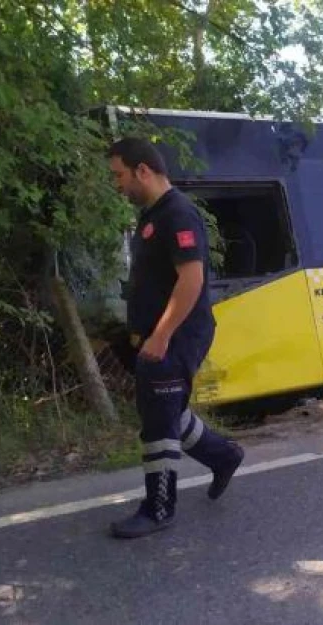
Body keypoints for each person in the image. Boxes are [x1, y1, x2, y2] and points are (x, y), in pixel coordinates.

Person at [106, 138, 245, 539]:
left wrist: (162, 335)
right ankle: (224, 456)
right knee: (166, 410)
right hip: (156, 335)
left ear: (142, 170)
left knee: (158, 423)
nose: (117, 184)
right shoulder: (153, 215)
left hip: (177, 335)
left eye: (119, 175)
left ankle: (159, 508)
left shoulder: (177, 214)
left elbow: (191, 279)